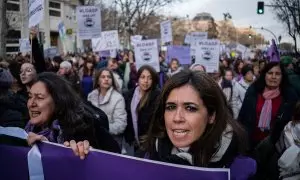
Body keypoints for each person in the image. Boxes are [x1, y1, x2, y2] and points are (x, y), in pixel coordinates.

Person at [141, 70, 256, 179]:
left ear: (211, 116)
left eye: (190, 108)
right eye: (171, 107)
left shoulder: (239, 171)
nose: (177, 118)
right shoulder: (150, 157)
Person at [25, 72, 120, 157]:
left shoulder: (81, 130)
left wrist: (84, 154)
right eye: (30, 96)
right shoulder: (29, 129)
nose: (31, 103)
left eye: (39, 98)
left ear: (58, 101)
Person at [238, 62, 298, 150]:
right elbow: (242, 117)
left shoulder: (289, 96)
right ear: (264, 75)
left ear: (282, 77)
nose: (273, 77)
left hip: (275, 147)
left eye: (277, 74)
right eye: (270, 73)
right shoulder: (253, 91)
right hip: (250, 142)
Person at [123, 65, 160, 154]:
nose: (146, 81)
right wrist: (129, 137)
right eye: (142, 77)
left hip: (149, 143)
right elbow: (127, 117)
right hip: (134, 141)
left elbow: (158, 122)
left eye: (149, 78)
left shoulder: (157, 96)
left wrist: (149, 138)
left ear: (153, 80)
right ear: (138, 78)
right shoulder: (129, 94)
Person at [87, 68, 127, 148]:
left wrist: (100, 129)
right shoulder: (91, 96)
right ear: (98, 80)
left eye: (109, 77)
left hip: (111, 143)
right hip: (94, 143)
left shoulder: (118, 98)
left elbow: (121, 125)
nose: (106, 79)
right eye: (103, 77)